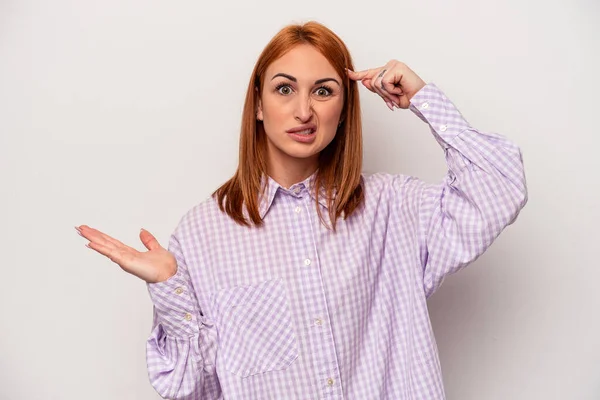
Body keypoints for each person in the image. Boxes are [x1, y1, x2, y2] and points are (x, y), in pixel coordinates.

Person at [75, 21, 527, 399]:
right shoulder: (202, 234)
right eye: (285, 88)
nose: (304, 110)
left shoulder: (393, 209)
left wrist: (423, 99)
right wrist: (169, 287)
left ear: (346, 110)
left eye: (324, 91)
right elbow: (190, 385)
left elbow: (498, 187)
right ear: (257, 103)